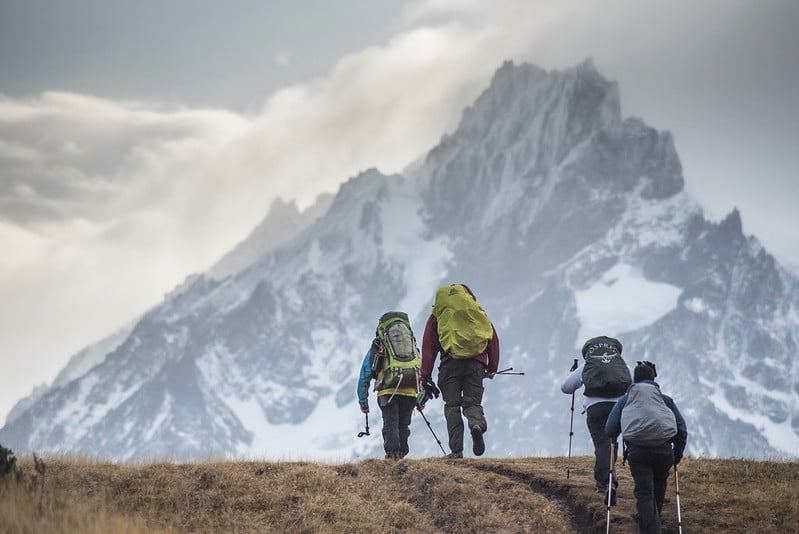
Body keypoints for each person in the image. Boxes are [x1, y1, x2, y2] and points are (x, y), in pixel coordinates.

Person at [605, 361, 688, 534]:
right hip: (664, 450)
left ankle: (651, 528)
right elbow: (681, 428)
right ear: (653, 380)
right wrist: (677, 454)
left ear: (634, 380)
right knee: (659, 484)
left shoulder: (625, 400)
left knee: (644, 492)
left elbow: (610, 429)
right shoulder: (664, 400)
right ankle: (652, 520)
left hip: (638, 451)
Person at [421, 284, 500, 458]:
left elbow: (428, 347)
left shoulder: (438, 314)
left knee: (452, 406)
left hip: (450, 365)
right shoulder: (476, 311)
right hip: (476, 364)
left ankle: (457, 452)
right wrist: (492, 368)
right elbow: (492, 338)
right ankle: (476, 425)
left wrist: (425, 376)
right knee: (472, 403)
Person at [561, 336, 631, 504]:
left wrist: (576, 374)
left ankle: (606, 481)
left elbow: (566, 387)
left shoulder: (587, 365)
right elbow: (633, 383)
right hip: (618, 407)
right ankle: (607, 478)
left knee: (601, 442)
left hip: (595, 407)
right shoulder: (621, 365)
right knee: (611, 442)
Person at [357, 311, 421, 460]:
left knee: (390, 423)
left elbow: (365, 373)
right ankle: (402, 454)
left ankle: (392, 455)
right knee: (404, 425)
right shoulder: (411, 344)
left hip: (388, 390)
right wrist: (420, 396)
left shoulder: (380, 344)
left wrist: (363, 401)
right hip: (410, 391)